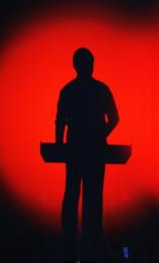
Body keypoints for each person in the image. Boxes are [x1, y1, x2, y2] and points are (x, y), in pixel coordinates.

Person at [56, 47, 119, 261]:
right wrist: (101, 134)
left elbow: (60, 122)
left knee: (72, 194)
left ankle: (70, 246)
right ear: (88, 64)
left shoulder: (68, 90)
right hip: (94, 151)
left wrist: (59, 146)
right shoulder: (101, 89)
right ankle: (90, 243)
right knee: (93, 196)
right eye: (89, 62)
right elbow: (115, 118)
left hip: (74, 149)